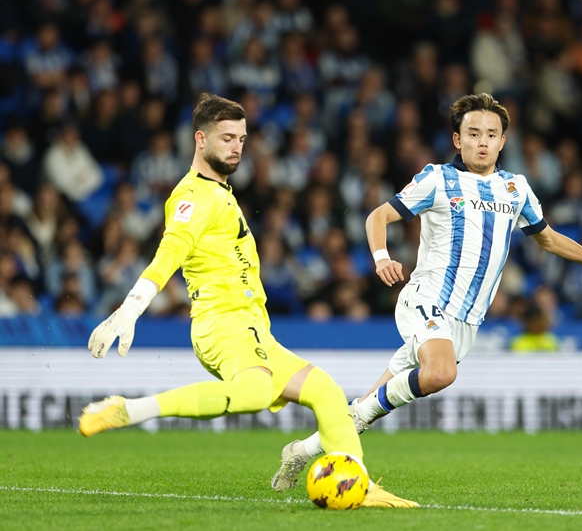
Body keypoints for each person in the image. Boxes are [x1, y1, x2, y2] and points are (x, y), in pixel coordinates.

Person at [271, 93, 582, 490]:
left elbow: (547, 237)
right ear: (458, 139)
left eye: (491, 134)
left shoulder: (516, 188)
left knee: (371, 404)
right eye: (473, 133)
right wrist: (381, 258)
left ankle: (300, 451)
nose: (482, 141)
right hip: (426, 300)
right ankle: (357, 417)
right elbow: (378, 216)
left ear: (502, 141)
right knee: (441, 373)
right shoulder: (438, 179)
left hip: (465, 323)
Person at [78, 93, 417, 508]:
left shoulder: (218, 191)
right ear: (200, 139)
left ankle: (358, 484)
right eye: (226, 138)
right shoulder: (194, 196)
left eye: (241, 138)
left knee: (327, 393)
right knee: (255, 393)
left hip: (252, 328)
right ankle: (130, 410)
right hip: (223, 324)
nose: (236, 147)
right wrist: (131, 307)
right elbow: (170, 252)